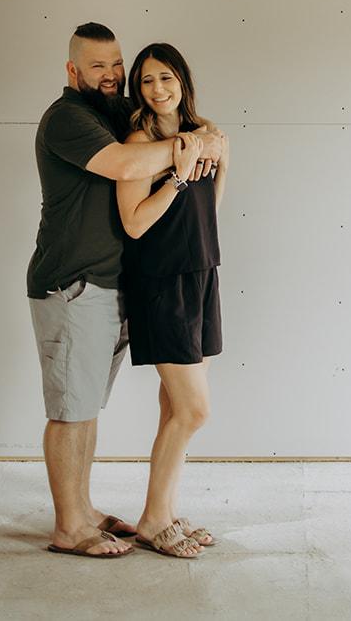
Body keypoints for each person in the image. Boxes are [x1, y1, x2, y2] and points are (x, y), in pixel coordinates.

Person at [26, 23, 222, 559]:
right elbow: (127, 163)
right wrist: (193, 147)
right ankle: (70, 527)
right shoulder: (67, 117)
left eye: (116, 63)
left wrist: (203, 138)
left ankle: (83, 509)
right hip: (72, 283)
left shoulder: (111, 113)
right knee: (71, 409)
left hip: (113, 283)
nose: (112, 75)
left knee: (86, 404)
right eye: (98, 66)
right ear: (73, 71)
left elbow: (166, 128)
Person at [116, 42, 230, 559]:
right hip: (161, 283)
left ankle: (163, 511)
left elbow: (211, 205)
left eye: (165, 77)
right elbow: (135, 223)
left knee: (173, 409)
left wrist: (214, 156)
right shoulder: (140, 143)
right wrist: (179, 177)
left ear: (182, 80)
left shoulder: (205, 133)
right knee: (194, 410)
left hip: (201, 274)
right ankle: (152, 520)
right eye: (146, 80)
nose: (157, 89)